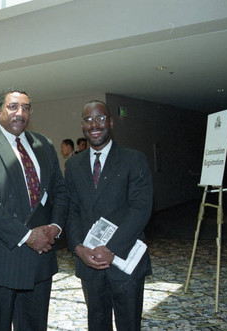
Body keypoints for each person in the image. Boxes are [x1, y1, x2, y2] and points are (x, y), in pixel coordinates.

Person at [0, 87, 68, 331]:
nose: (20, 113)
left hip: (41, 258)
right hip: (2, 260)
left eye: (26, 108)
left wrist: (55, 227)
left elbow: (59, 192)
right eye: (13, 107)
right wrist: (28, 236)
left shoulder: (43, 143)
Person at [65, 100, 153, 331]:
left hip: (124, 259)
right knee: (97, 322)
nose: (94, 124)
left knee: (129, 324)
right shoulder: (73, 166)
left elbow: (140, 208)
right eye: (88, 119)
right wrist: (77, 247)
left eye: (100, 118)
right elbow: (71, 209)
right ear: (82, 125)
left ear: (110, 122)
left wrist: (111, 248)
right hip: (89, 260)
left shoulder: (134, 159)